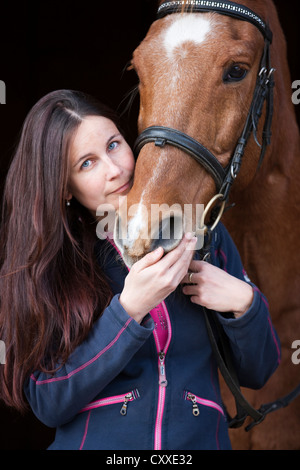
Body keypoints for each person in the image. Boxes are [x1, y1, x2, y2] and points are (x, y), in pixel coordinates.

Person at [0, 89, 280, 450]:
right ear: (64, 188)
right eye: (87, 163)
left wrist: (244, 304)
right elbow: (47, 402)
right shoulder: (54, 266)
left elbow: (260, 371)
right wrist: (128, 310)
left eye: (114, 145)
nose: (115, 169)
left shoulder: (203, 233)